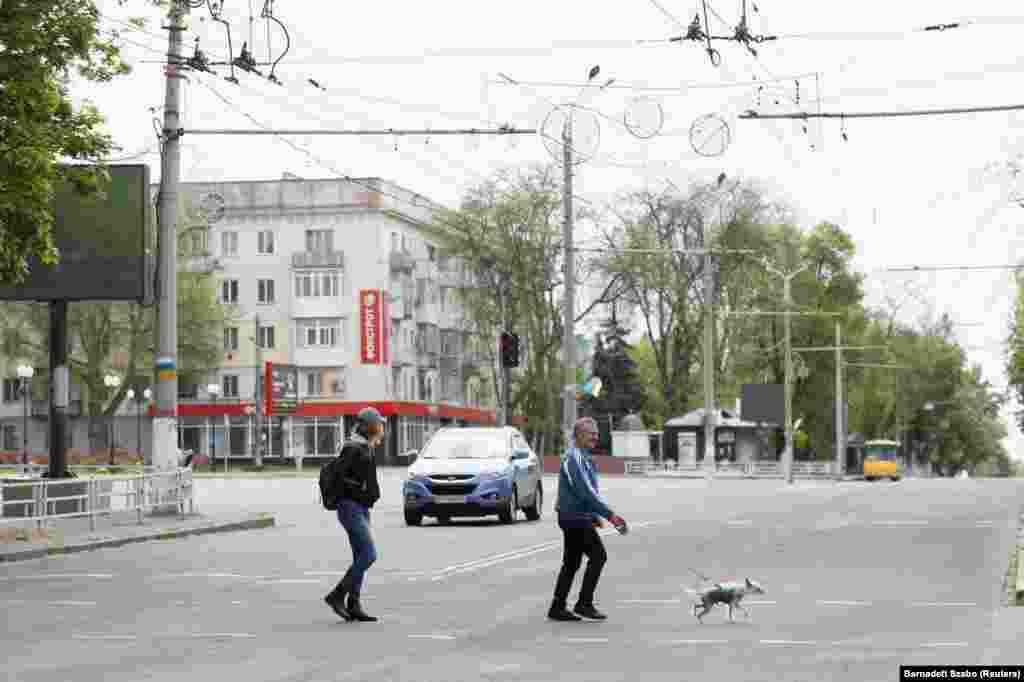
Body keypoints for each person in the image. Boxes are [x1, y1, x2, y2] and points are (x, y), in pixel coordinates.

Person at [548, 416, 627, 621]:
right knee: (598, 556)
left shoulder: (583, 457)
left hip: (576, 516)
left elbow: (585, 492)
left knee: (572, 562)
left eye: (596, 434)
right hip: (573, 517)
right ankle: (584, 603)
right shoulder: (574, 458)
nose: (595, 437)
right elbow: (585, 492)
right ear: (578, 435)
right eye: (590, 433)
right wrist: (612, 516)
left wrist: (592, 515)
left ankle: (557, 607)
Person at [324, 406, 385, 623]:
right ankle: (338, 595)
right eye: (378, 424)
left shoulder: (364, 446)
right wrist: (360, 493)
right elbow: (341, 480)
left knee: (360, 556)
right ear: (369, 427)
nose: (381, 428)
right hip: (350, 507)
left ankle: (354, 603)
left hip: (360, 507)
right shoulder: (353, 448)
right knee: (369, 555)